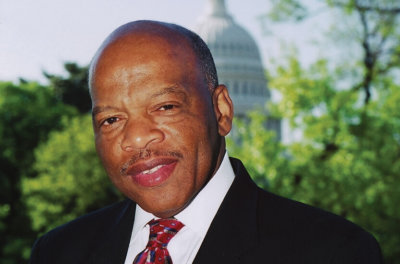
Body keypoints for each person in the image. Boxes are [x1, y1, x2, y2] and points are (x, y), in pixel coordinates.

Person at [29, 20, 383, 264]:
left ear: (222, 110)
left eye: (165, 106)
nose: (136, 138)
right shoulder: (58, 252)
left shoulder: (333, 252)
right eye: (111, 119)